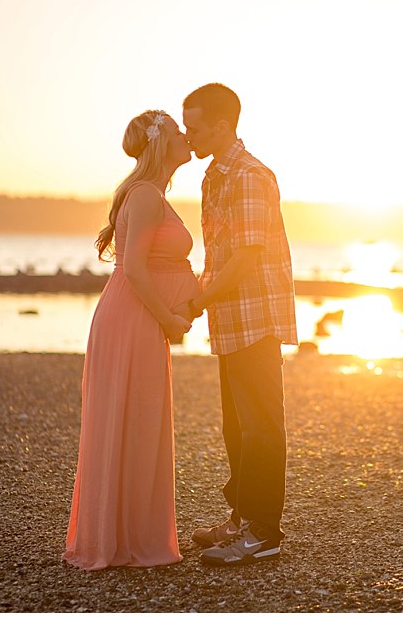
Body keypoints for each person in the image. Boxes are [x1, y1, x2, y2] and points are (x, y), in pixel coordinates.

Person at [63, 110, 198, 570]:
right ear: (161, 143)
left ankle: (129, 535)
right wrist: (170, 320)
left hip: (139, 315)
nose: (187, 137)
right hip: (132, 317)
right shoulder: (143, 195)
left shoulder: (154, 194)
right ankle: (118, 541)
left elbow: (156, 266)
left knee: (139, 419)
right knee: (130, 417)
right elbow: (136, 268)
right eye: (179, 131)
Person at [175, 83, 298, 566]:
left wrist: (200, 300)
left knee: (263, 426)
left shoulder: (249, 176)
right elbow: (218, 254)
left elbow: (246, 258)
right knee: (237, 427)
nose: (189, 136)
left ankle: (264, 532)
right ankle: (241, 519)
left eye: (196, 127)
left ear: (223, 127)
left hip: (256, 318)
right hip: (230, 321)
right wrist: (194, 296)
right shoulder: (215, 177)